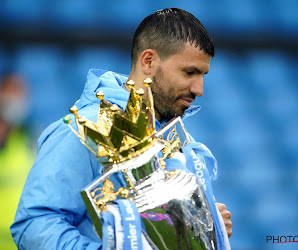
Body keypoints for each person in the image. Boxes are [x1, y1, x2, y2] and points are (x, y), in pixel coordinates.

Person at [11, 8, 232, 249]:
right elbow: (34, 226)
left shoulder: (179, 137)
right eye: (189, 72)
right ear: (148, 61)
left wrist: (206, 226)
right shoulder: (83, 131)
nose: (199, 89)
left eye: (203, 75)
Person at [0, 73, 34, 249]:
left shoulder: (27, 137)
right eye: (11, 92)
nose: (16, 99)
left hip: (21, 239)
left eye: (21, 94)